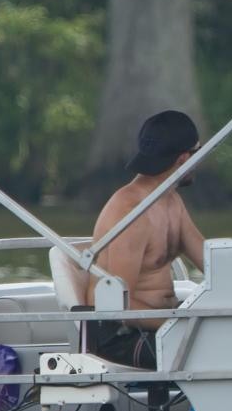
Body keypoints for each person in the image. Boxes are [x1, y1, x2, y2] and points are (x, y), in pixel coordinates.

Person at [80, 109, 209, 369]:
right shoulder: (131, 212)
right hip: (120, 337)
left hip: (162, 323)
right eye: (199, 152)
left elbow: (214, 263)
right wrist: (178, 321)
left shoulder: (171, 201)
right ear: (184, 159)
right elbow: (117, 305)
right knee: (214, 349)